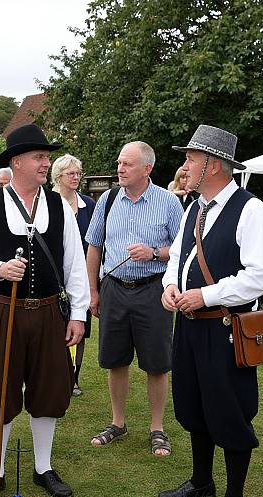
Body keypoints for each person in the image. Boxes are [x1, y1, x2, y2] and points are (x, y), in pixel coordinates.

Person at [0, 124, 90, 497]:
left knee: (48, 391)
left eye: (47, 158)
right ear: (17, 162)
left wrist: (77, 314)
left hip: (49, 312)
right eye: (39, 157)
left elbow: (75, 264)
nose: (45, 164)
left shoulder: (59, 206)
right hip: (3, 311)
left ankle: (43, 467)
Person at [159, 125, 263, 497]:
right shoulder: (194, 207)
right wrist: (170, 288)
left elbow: (261, 276)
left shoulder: (251, 209)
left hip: (225, 328)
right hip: (189, 326)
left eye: (191, 158)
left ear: (212, 164)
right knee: (193, 405)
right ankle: (201, 482)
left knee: (229, 409)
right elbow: (178, 256)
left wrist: (206, 294)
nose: (185, 165)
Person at [85, 141, 183, 455]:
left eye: (127, 164)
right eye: (119, 163)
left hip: (153, 290)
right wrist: (93, 291)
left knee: (157, 364)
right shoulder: (108, 200)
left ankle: (157, 428)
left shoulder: (168, 202)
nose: (120, 169)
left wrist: (154, 252)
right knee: (115, 360)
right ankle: (118, 423)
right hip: (114, 288)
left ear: (147, 168)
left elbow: (184, 250)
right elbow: (94, 247)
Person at [51, 153, 95, 396]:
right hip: (55, 275)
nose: (76, 177)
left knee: (80, 325)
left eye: (78, 173)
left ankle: (74, 378)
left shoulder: (88, 204)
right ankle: (56, 375)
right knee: (54, 326)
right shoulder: (48, 202)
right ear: (58, 176)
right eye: (71, 173)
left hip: (82, 275)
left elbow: (95, 241)